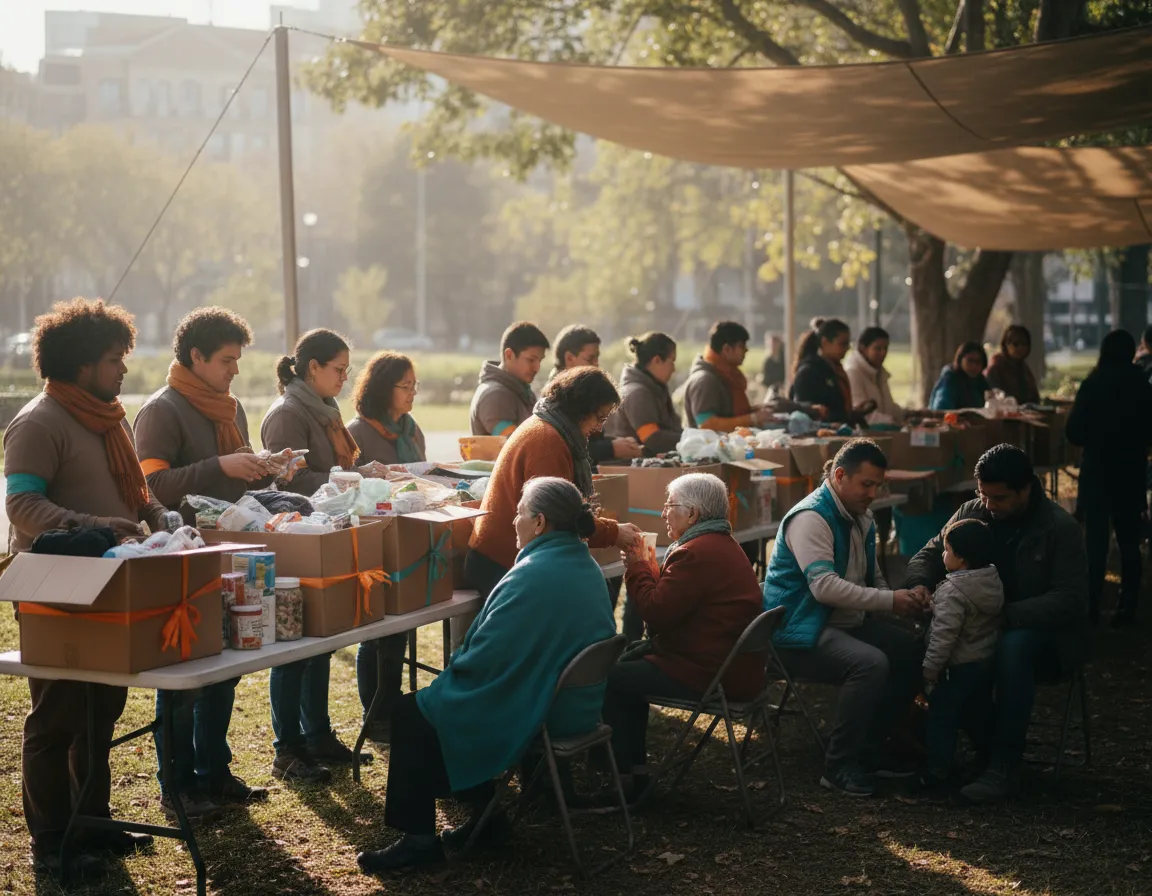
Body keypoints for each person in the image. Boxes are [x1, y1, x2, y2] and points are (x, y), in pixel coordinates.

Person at [357, 478, 617, 873]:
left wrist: (455, 670)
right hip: (579, 704)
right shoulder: (584, 564)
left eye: (520, 513)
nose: (513, 521)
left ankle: (419, 842)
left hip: (546, 708)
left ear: (540, 522)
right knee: (438, 706)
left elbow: (488, 656)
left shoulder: (533, 573)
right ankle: (488, 819)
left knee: (412, 713)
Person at [4, 298, 170, 876]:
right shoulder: (38, 422)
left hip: (110, 585)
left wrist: (160, 516)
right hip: (54, 588)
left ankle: (93, 824)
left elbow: (135, 493)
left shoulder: (110, 416)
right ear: (80, 365)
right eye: (114, 358)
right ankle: (52, 844)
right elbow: (22, 506)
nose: (124, 368)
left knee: (101, 712)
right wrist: (94, 526)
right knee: (57, 719)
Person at [134, 307, 270, 820]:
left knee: (223, 668)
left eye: (237, 360)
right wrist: (220, 465)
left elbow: (237, 473)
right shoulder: (161, 411)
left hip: (230, 551)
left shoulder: (230, 409)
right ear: (196, 356)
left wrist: (266, 467)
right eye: (227, 360)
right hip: (184, 559)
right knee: (184, 674)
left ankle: (215, 771)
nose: (235, 370)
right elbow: (150, 487)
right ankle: (177, 786)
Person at [903, 445, 1088, 803]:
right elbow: (931, 552)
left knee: (1011, 649)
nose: (988, 505)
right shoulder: (973, 511)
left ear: (1026, 488)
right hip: (979, 628)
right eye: (982, 494)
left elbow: (1071, 598)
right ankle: (974, 748)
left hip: (1042, 634)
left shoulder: (1059, 528)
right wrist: (920, 583)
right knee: (950, 657)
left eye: (999, 498)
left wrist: (1007, 615)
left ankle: (1004, 764)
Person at [761, 439, 927, 797]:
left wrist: (901, 599)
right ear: (839, 476)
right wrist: (889, 601)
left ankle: (871, 747)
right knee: (869, 663)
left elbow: (873, 577)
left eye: (878, 485)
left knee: (913, 650)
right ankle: (838, 766)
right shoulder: (811, 518)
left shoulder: (862, 517)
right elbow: (824, 587)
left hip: (841, 623)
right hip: (798, 631)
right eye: (866, 484)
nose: (873, 493)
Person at [261, 329, 379, 782]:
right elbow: (287, 483)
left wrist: (357, 474)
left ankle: (317, 735)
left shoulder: (324, 410)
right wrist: (349, 479)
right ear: (312, 368)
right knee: (294, 643)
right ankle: (287, 749)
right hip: (296, 539)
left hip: (324, 535)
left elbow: (331, 473)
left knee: (321, 640)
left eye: (347, 370)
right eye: (338, 369)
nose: (345, 378)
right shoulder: (288, 413)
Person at [604, 473, 763, 798]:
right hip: (733, 667)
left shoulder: (694, 553)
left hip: (709, 673)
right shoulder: (722, 544)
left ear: (692, 514)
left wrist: (637, 567)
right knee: (628, 669)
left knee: (612, 677)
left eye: (670, 505)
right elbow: (674, 603)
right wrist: (650, 569)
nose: (663, 513)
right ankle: (635, 772)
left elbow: (655, 613)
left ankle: (623, 780)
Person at [345, 351, 428, 740]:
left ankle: (392, 708)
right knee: (378, 630)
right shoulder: (358, 433)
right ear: (382, 388)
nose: (412, 393)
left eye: (414, 385)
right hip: (373, 542)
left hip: (410, 536)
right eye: (404, 386)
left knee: (401, 628)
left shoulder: (412, 429)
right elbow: (346, 489)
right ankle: (376, 716)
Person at [1066, 330, 1152, 627]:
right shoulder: (1143, 385)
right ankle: (1127, 607)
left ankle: (1091, 605)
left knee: (1096, 543)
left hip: (1097, 471)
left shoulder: (1093, 384)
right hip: (1131, 471)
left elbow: (1073, 432)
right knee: (1129, 542)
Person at [919, 519, 1004, 789]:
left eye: (946, 550)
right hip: (984, 659)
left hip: (959, 666)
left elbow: (944, 635)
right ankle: (989, 757)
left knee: (942, 714)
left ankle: (938, 771)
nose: (943, 556)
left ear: (962, 558)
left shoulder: (953, 591)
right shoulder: (990, 580)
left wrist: (930, 668)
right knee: (978, 710)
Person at [550, 324, 643, 465]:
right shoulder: (557, 396)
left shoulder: (582, 391)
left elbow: (592, 439)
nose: (596, 365)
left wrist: (620, 444)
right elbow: (566, 447)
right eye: (590, 359)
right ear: (569, 358)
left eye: (597, 359)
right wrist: (611, 448)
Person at [683, 320, 773, 431]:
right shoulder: (705, 380)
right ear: (727, 349)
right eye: (741, 346)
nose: (746, 350)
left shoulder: (726, 376)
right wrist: (751, 418)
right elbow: (706, 424)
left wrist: (756, 412)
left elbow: (728, 415)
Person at [607, 331, 682, 457]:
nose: (674, 369)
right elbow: (653, 438)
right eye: (672, 362)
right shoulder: (638, 393)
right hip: (631, 466)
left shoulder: (655, 389)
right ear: (656, 360)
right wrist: (691, 439)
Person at [469, 321, 550, 437]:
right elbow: (515, 444)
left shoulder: (518, 390)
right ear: (509, 355)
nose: (537, 368)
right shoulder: (496, 395)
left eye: (540, 361)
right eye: (531, 360)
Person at [790, 318, 873, 425]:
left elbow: (836, 409)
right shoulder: (808, 372)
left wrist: (854, 413)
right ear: (825, 342)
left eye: (848, 344)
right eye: (842, 344)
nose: (847, 348)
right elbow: (804, 414)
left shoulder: (835, 369)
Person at [844, 326, 904, 424]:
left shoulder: (879, 373)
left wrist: (911, 414)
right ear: (862, 348)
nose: (883, 353)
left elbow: (888, 408)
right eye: (878, 349)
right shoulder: (853, 372)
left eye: (885, 348)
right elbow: (863, 415)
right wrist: (895, 424)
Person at [985, 325, 1040, 405]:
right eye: (1016, 344)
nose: (1020, 348)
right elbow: (995, 396)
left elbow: (1034, 397)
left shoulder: (1024, 368)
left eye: (1024, 344)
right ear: (1006, 345)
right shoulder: (996, 367)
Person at [928, 342, 990, 411]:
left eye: (978, 362)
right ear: (960, 360)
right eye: (970, 361)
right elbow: (942, 408)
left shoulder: (981, 382)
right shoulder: (951, 379)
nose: (974, 366)